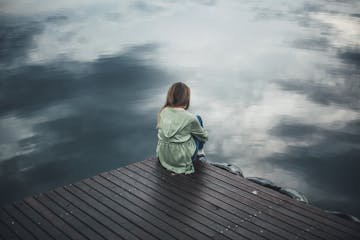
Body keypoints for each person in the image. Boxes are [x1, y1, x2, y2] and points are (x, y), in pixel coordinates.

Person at [156, 82, 208, 174]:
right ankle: (200, 151)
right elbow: (204, 137)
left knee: (186, 130)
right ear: (186, 98)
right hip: (181, 160)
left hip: (164, 156)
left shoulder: (163, 112)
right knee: (198, 119)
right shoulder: (190, 118)